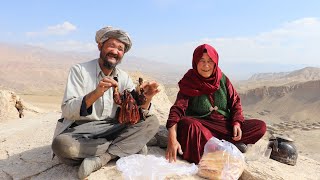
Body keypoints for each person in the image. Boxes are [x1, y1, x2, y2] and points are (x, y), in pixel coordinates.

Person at [51, 26, 160, 179]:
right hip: (83, 130)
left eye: (120, 49)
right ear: (100, 46)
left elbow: (136, 111)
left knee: (152, 121)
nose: (115, 52)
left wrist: (147, 97)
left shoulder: (123, 77)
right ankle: (127, 146)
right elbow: (67, 109)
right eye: (112, 46)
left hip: (114, 126)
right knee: (62, 145)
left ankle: (103, 157)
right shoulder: (79, 71)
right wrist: (96, 93)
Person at [165, 44, 266, 164]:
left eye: (210, 61)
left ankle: (217, 146)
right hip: (201, 126)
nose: (206, 65)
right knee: (189, 125)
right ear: (195, 62)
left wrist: (237, 123)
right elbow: (177, 109)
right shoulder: (189, 81)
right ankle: (224, 148)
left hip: (223, 126)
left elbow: (235, 102)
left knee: (260, 126)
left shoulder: (222, 79)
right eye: (201, 60)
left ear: (215, 62)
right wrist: (172, 137)